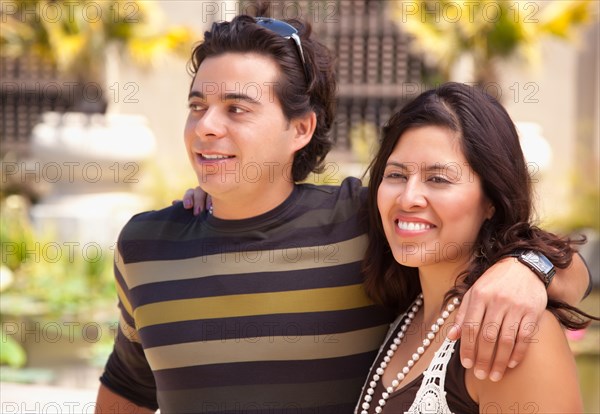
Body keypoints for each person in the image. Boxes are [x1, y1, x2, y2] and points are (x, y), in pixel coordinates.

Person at [96, 11, 591, 414]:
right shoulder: (145, 245)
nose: (206, 126)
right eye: (197, 105)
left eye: (236, 108)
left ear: (301, 129)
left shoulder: (366, 222)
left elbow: (552, 251)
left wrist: (528, 268)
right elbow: (127, 389)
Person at [355, 82, 596, 413]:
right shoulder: (404, 312)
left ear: (491, 202)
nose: (408, 198)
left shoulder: (514, 332)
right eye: (396, 174)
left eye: (438, 179)